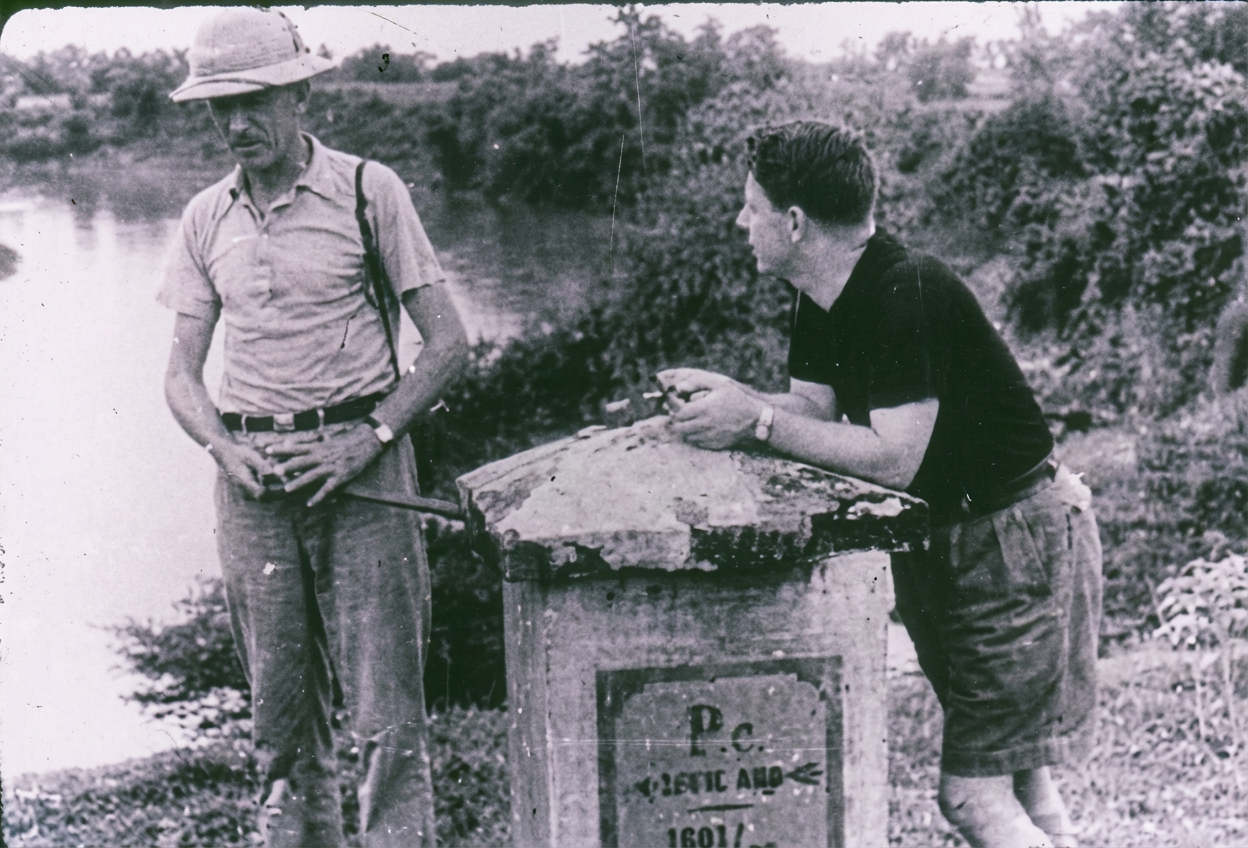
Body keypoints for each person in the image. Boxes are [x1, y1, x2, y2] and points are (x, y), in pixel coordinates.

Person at [658, 121, 1102, 848]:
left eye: (751, 206)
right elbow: (813, 411)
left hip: (1013, 543)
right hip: (957, 543)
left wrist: (755, 422)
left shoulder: (906, 292)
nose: (742, 222)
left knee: (973, 797)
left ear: (794, 222)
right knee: (1019, 775)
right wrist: (734, 397)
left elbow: (892, 458)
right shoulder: (825, 294)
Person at [158, 9, 469, 846]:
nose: (237, 124)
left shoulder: (371, 190)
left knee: (387, 720)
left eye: (254, 100)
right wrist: (224, 448)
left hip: (366, 476)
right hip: (253, 484)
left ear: (300, 94)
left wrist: (368, 438)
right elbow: (181, 377)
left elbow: (447, 347)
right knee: (282, 727)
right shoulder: (202, 218)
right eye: (219, 107)